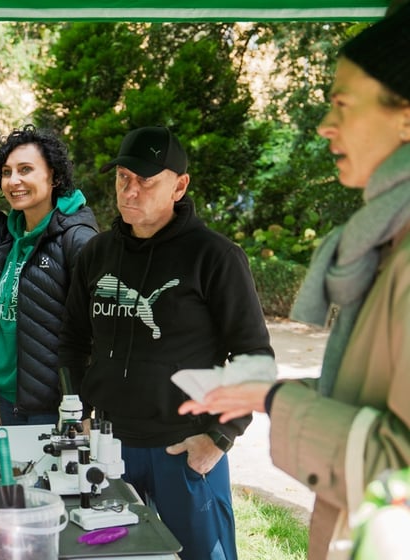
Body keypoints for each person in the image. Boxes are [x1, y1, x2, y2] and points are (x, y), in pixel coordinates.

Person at [178, 4, 410, 559]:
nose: (326, 126)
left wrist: (278, 398)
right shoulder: (387, 238)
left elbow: (397, 472)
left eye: (343, 106)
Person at [58, 126, 274, 560]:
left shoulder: (215, 257)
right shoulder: (96, 255)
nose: (130, 192)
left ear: (179, 186)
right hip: (109, 447)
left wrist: (220, 436)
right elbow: (72, 341)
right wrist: (73, 410)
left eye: (146, 181)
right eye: (123, 178)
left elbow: (254, 356)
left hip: (183, 449)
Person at [0, 125, 98, 426]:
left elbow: (97, 331)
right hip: (9, 399)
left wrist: (86, 411)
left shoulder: (78, 239)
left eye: (25, 169)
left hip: (55, 405)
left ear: (54, 176)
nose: (13, 181)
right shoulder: (7, 237)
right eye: (6, 172)